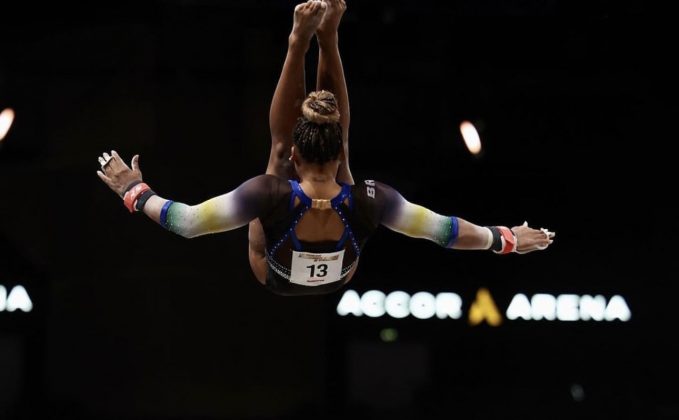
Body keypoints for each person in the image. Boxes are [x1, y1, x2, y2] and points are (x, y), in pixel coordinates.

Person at [96, 0, 554, 296]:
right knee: (341, 180)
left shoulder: (270, 192)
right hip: (341, 270)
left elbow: (188, 222)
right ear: (335, 154)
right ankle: (327, 37)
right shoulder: (371, 198)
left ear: (300, 156)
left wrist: (133, 190)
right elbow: (447, 231)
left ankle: (301, 42)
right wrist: (506, 239)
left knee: (275, 160)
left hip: (273, 274)